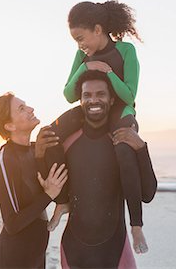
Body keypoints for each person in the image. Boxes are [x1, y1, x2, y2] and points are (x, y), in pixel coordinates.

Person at [46, 0, 156, 253]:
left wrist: (107, 72)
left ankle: (136, 225)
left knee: (123, 148)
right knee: (49, 134)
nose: (79, 44)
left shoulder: (126, 51)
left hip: (120, 110)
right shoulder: (82, 56)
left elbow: (129, 95)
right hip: (90, 108)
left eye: (81, 37)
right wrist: (85, 66)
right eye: (75, 40)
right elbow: (69, 94)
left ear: (98, 29)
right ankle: (62, 202)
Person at [59, 70, 155, 268]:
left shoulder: (122, 142)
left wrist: (141, 149)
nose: (93, 100)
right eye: (87, 95)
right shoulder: (68, 143)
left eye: (100, 94)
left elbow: (147, 193)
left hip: (115, 250)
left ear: (111, 100)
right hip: (74, 250)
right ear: (80, 101)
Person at [0, 92, 68, 269]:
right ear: (9, 125)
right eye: (21, 109)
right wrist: (49, 195)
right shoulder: (5, 160)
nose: (31, 109)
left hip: (37, 256)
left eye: (26, 105)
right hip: (14, 259)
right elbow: (12, 224)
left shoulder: (34, 150)